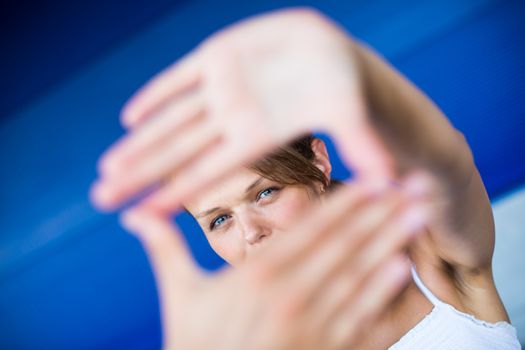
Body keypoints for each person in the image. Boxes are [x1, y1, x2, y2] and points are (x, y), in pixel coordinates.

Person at [91, 8, 521, 349]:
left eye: (265, 193)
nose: (251, 232)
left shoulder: (435, 267)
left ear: (317, 163)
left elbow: (448, 165)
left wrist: (356, 70)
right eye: (219, 219)